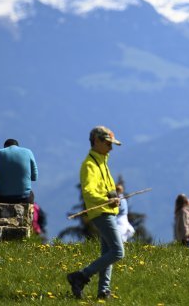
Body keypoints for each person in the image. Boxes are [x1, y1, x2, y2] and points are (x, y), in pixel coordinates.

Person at [67, 126, 125, 300]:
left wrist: (114, 196)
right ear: (97, 142)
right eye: (108, 143)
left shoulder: (102, 161)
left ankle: (103, 291)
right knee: (117, 252)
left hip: (108, 211)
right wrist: (106, 200)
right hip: (101, 212)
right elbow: (89, 192)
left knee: (107, 253)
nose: (111, 148)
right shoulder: (90, 165)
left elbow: (106, 189)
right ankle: (81, 276)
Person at [0, 139, 38, 203]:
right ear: (17, 146)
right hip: (25, 198)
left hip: (3, 198)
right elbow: (34, 177)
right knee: (31, 194)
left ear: (5, 147)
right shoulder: (28, 152)